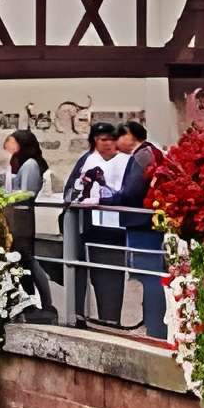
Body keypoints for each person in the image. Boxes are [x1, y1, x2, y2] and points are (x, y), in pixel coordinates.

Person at [112, 118, 169, 337]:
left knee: (148, 275)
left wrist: (111, 197)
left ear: (129, 135)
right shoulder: (149, 153)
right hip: (148, 224)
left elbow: (132, 192)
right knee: (149, 274)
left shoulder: (143, 155)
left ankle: (156, 327)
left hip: (142, 224)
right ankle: (152, 323)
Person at [68, 121, 125, 326]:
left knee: (110, 282)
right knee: (86, 276)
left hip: (114, 230)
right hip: (90, 228)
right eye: (103, 139)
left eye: (112, 139)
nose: (108, 144)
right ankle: (81, 318)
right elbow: (72, 191)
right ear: (94, 141)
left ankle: (110, 321)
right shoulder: (86, 161)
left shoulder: (123, 161)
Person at [1, 129, 54, 321]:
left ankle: (43, 301)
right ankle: (30, 299)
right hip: (17, 215)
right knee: (23, 259)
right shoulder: (21, 163)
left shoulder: (30, 165)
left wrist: (4, 196)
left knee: (27, 258)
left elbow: (26, 192)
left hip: (21, 218)